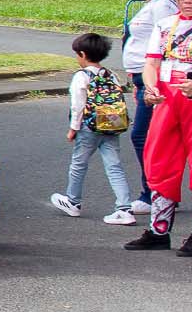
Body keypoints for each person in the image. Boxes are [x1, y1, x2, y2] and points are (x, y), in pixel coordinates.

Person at [125, 0, 192, 256]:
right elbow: (150, 64)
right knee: (159, 161)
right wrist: (151, 89)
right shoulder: (165, 25)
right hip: (166, 100)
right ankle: (158, 229)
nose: (187, 0)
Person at [50, 33, 135, 225]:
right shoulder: (111, 74)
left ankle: (73, 201)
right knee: (114, 166)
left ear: (82, 54)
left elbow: (78, 105)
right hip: (111, 125)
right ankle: (124, 208)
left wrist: (73, 128)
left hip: (89, 127)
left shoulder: (81, 76)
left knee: (79, 164)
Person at [123, 0, 175, 215]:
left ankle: (154, 192)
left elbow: (168, 45)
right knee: (146, 136)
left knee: (144, 136)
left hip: (155, 83)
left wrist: (153, 83)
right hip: (143, 81)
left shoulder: (163, 6)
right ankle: (157, 192)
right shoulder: (151, 6)